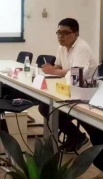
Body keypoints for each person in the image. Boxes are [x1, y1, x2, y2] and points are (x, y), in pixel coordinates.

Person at [38, 18, 97, 152]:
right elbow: (59, 66)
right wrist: (50, 69)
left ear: (76, 34)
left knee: (50, 109)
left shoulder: (81, 48)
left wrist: (54, 71)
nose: (61, 36)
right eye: (59, 33)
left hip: (84, 92)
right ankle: (76, 136)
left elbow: (76, 73)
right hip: (68, 89)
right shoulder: (62, 47)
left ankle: (78, 137)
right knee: (45, 107)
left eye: (65, 33)